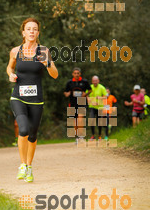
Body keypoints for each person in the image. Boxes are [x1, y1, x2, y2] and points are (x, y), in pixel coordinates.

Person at [7, 18, 58, 182]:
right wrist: (10, 75)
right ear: (23, 32)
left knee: (33, 135)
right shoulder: (16, 51)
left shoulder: (43, 51)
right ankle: (22, 165)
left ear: (38, 33)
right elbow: (10, 67)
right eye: (28, 29)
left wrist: (48, 63)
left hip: (36, 99)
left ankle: (29, 166)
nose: (31, 31)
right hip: (18, 96)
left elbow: (55, 74)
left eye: (34, 29)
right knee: (23, 130)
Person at [64, 67, 92, 143]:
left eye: (78, 73)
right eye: (75, 73)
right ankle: (77, 136)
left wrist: (85, 94)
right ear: (72, 74)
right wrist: (67, 94)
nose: (76, 75)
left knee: (80, 118)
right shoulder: (69, 82)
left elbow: (90, 90)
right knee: (74, 121)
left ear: (80, 74)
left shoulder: (84, 81)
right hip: (72, 103)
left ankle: (81, 136)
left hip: (81, 102)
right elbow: (65, 92)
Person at [87, 76, 107, 140]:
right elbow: (86, 95)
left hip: (100, 107)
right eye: (93, 81)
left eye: (96, 81)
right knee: (91, 119)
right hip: (92, 106)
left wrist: (100, 98)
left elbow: (106, 96)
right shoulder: (90, 87)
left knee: (99, 122)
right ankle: (93, 135)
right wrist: (90, 101)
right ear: (92, 81)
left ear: (98, 81)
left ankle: (99, 135)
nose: (95, 82)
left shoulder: (102, 87)